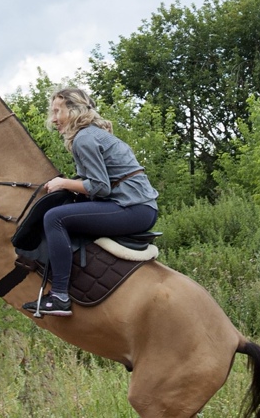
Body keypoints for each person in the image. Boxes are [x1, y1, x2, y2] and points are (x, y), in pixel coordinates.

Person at [22, 87, 159, 316]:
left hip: (133, 209)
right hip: (137, 206)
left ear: (74, 111)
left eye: (58, 111)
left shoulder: (84, 139)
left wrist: (63, 183)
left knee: (54, 218)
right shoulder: (91, 134)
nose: (53, 119)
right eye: (52, 112)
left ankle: (59, 297)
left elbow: (99, 187)